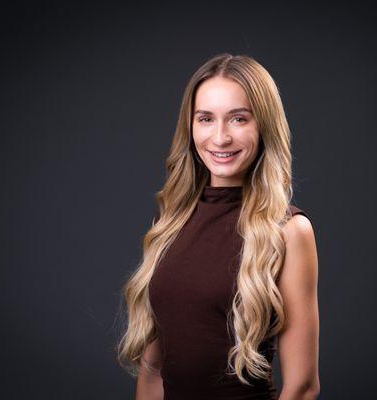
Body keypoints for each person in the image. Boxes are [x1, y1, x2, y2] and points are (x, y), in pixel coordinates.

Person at [117, 53, 320, 400]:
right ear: (190, 126)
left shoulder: (289, 231)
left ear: (263, 126)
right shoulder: (168, 222)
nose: (220, 137)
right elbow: (153, 369)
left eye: (239, 119)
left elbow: (302, 386)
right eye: (206, 119)